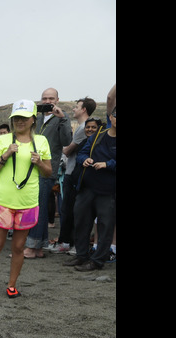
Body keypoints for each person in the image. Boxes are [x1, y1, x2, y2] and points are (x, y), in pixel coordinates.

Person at [0, 100, 52, 299]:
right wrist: (6, 155)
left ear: (33, 120)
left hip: (27, 202)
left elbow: (48, 173)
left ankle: (12, 285)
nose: (20, 121)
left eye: (24, 118)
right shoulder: (3, 140)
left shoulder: (42, 142)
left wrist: (39, 163)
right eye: (16, 118)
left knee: (19, 247)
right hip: (3, 200)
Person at [64, 108, 116, 271]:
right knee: (81, 221)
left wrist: (107, 164)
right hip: (87, 188)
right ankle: (81, 256)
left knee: (105, 225)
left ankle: (97, 260)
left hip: (108, 191)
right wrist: (85, 159)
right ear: (110, 117)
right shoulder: (98, 135)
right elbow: (81, 153)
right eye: (115, 116)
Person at [24, 88, 71, 258]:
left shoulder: (62, 118)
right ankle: (38, 247)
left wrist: (63, 118)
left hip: (47, 169)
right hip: (30, 168)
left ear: (57, 100)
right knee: (37, 206)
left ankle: (32, 246)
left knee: (38, 207)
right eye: (44, 98)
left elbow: (67, 141)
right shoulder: (36, 117)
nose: (47, 101)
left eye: (51, 98)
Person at [52, 97, 98, 253]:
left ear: (84, 109)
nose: (74, 109)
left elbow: (67, 150)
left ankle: (68, 242)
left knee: (70, 209)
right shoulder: (82, 127)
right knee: (70, 209)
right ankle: (69, 242)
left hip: (73, 173)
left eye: (77, 107)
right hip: (74, 172)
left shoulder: (83, 128)